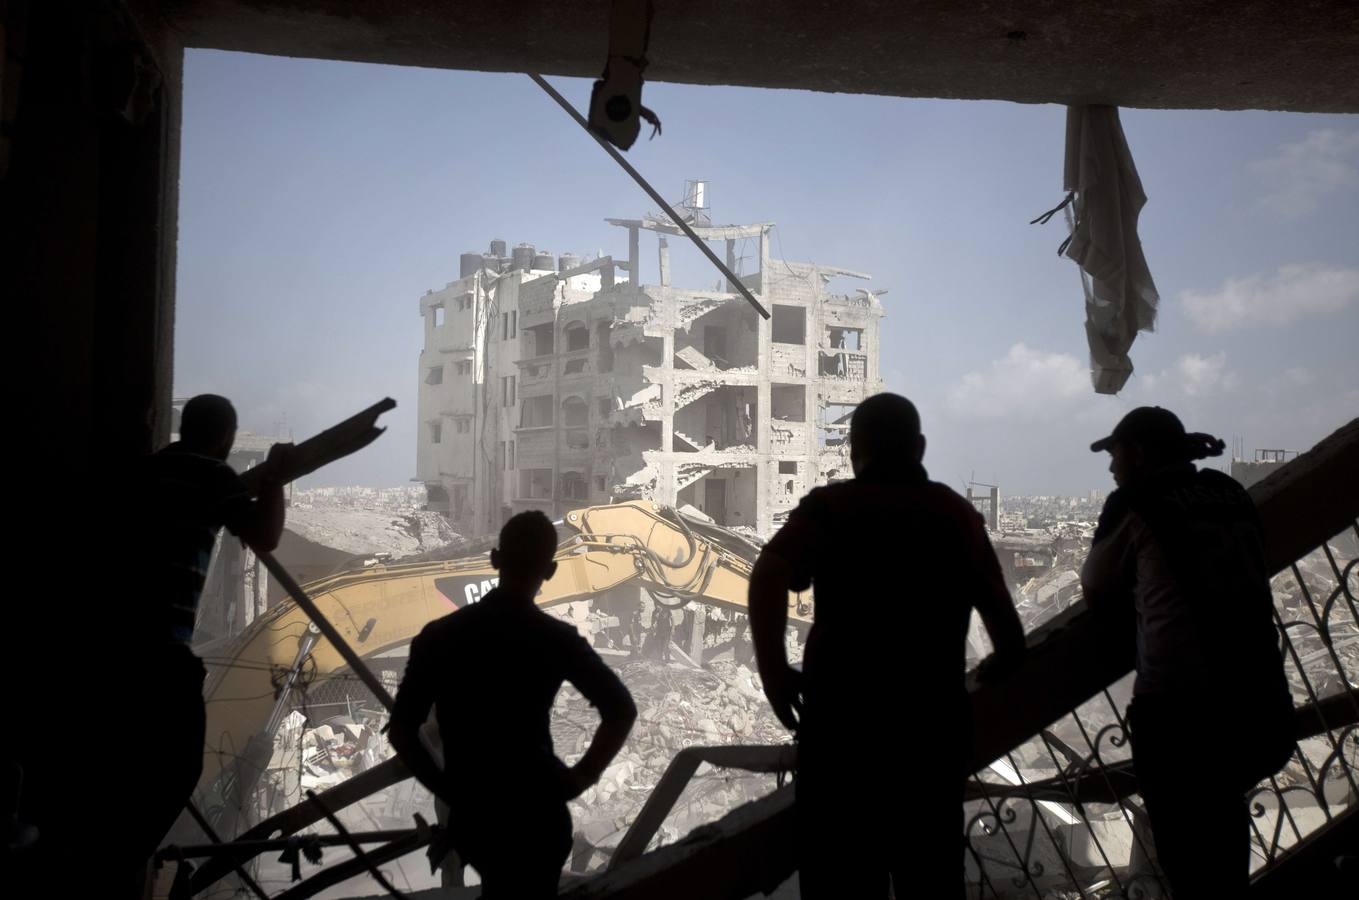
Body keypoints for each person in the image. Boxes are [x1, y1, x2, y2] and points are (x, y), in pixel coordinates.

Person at [748, 392, 1026, 899]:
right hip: (929, 741)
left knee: (842, 881)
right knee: (931, 879)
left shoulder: (831, 508)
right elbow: (1008, 638)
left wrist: (773, 672)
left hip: (842, 740)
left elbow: (768, 572)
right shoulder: (957, 515)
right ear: (919, 447)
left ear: (855, 450)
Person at [1082, 407, 1293, 898]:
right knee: (1224, 835)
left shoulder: (1136, 502)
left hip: (1182, 715)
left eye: (1114, 455)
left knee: (1189, 861)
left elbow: (1095, 585)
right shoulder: (1231, 492)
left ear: (1136, 455)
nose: (1111, 468)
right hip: (1259, 699)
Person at [389, 511, 637, 899]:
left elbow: (402, 731)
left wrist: (451, 792)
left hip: (478, 820)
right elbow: (621, 710)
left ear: (494, 560)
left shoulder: (439, 638)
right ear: (551, 571)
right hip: (539, 814)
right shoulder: (557, 639)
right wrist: (579, 778)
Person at [125, 394, 292, 894]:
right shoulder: (212, 476)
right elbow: (265, 536)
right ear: (226, 439)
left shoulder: (144, 473)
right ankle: (132, 857)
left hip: (112, 646)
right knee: (180, 766)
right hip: (160, 649)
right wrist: (276, 478)